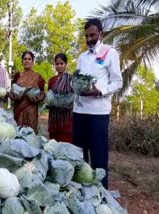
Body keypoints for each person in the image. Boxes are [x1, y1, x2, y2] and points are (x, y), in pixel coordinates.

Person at [73, 18, 123, 189]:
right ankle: (82, 192)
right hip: (79, 112)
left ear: (101, 34)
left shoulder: (110, 53)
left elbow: (117, 82)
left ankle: (101, 195)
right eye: (86, 36)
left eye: (92, 35)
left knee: (99, 158)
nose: (89, 39)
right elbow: (78, 79)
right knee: (79, 157)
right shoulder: (82, 57)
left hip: (98, 114)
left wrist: (99, 90)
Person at [9, 51, 45, 133]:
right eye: (25, 59)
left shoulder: (38, 77)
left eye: (29, 59)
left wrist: (36, 98)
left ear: (33, 61)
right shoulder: (18, 75)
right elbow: (12, 91)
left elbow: (43, 93)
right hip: (19, 111)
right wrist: (12, 95)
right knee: (18, 134)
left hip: (32, 113)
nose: (27, 61)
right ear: (22, 61)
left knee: (31, 135)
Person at [48, 53, 73, 143]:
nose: (59, 66)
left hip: (66, 119)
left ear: (66, 64)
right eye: (57, 64)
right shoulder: (52, 80)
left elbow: (73, 97)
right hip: (54, 119)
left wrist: (65, 103)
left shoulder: (71, 79)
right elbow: (49, 97)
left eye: (61, 63)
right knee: (53, 146)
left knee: (66, 147)